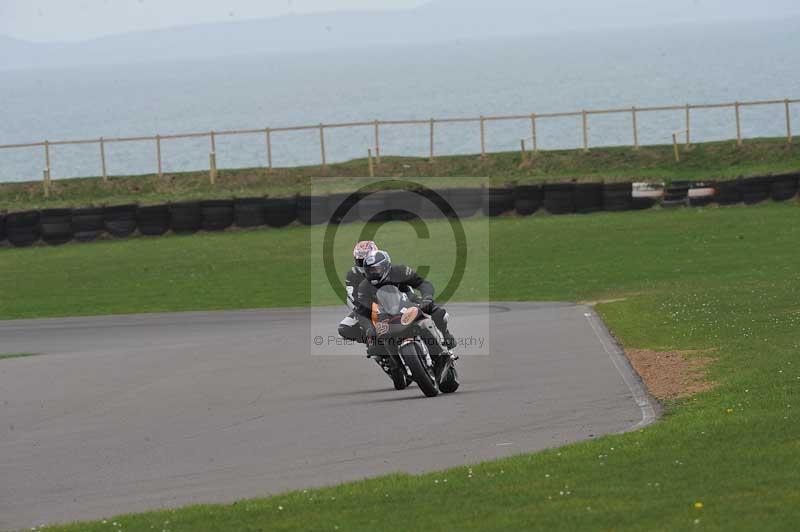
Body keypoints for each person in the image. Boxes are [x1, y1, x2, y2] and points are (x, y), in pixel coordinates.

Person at [355, 250, 457, 357]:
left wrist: (427, 298)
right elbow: (362, 312)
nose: (372, 274)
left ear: (385, 266)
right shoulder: (364, 287)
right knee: (376, 348)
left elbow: (423, 284)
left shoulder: (400, 271)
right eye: (369, 271)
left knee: (438, 312)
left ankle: (446, 336)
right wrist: (369, 329)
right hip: (384, 311)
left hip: (408, 301)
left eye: (375, 269)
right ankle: (394, 366)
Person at [337, 240, 378, 344]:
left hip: (389, 303)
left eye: (366, 260)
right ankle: (375, 344)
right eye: (360, 261)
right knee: (344, 329)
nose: (363, 264)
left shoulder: (383, 266)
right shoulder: (353, 274)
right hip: (366, 308)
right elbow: (351, 297)